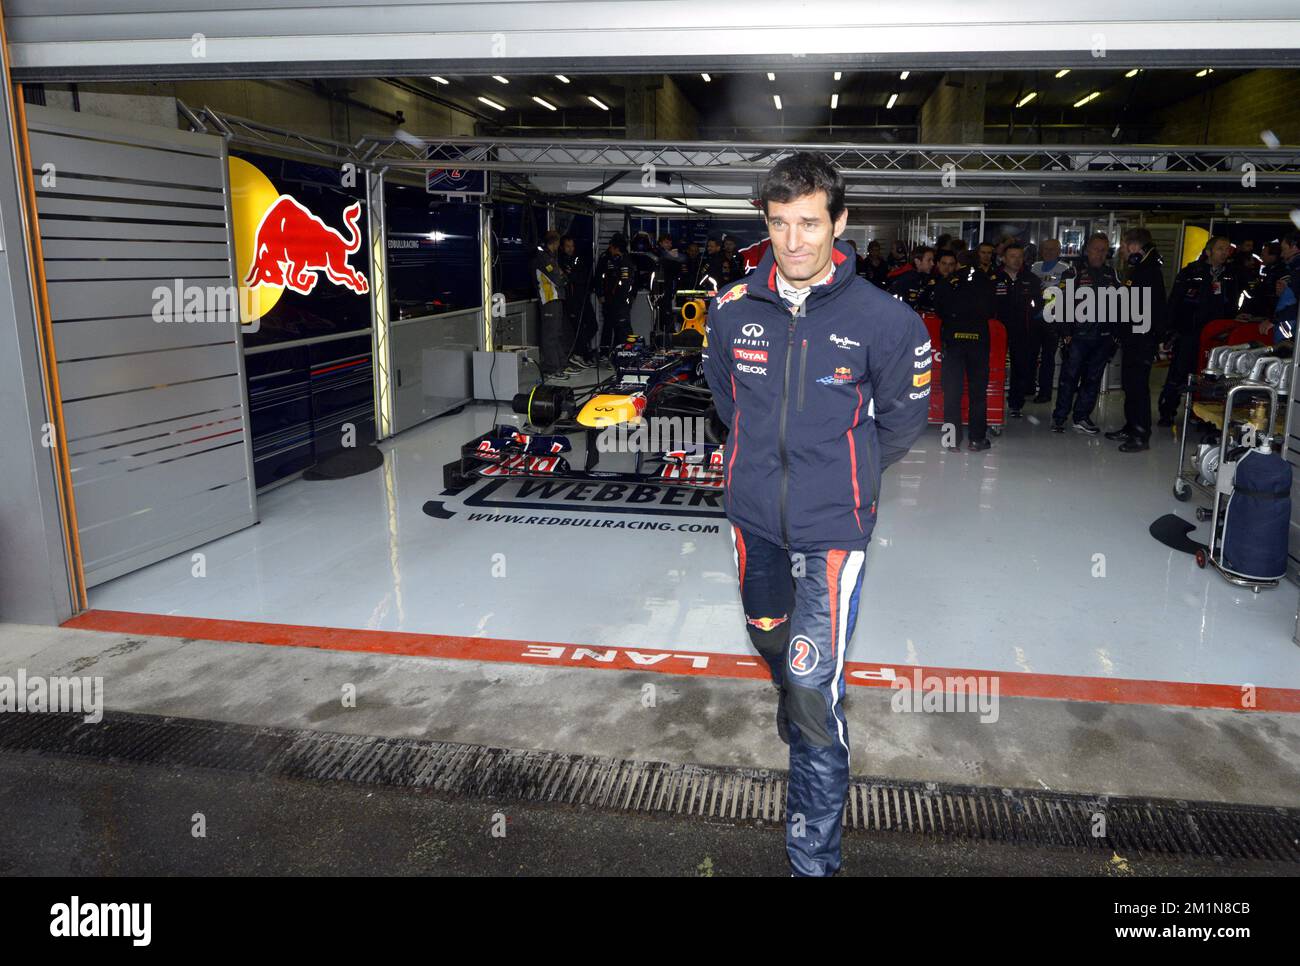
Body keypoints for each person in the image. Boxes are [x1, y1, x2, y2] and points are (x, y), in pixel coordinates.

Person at [701, 152, 929, 878]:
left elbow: (899, 423)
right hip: (752, 521)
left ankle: (812, 862)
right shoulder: (732, 309)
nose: (793, 241)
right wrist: (765, 475)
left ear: (840, 221)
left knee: (810, 697)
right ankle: (789, 681)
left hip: (833, 530)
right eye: (778, 224)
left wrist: (838, 479)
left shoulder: (887, 322)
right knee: (768, 639)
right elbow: (728, 406)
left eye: (808, 222)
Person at [1157, 235, 1241, 426]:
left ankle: (1204, 414)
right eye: (1220, 248)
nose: (1224, 252)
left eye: (1227, 249)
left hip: (1216, 335)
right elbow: (1175, 302)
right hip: (1189, 331)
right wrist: (1169, 330)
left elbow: (1234, 303)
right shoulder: (1191, 272)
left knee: (1211, 375)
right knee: (1179, 372)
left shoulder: (1231, 275)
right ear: (1208, 251)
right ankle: (1167, 411)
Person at [1105, 228, 1167, 451]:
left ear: (1134, 246)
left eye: (1123, 246)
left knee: (1138, 387)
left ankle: (1140, 434)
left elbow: (1149, 308)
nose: (1121, 250)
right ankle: (1131, 426)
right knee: (1129, 386)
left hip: (1142, 338)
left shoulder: (1149, 271)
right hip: (1133, 337)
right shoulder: (1140, 268)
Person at [1052, 233, 1121, 435]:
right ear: (1086, 250)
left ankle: (1081, 417)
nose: (1100, 254)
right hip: (1077, 337)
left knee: (1093, 379)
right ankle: (1059, 417)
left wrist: (1115, 336)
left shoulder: (1113, 274)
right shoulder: (1073, 273)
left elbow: (1122, 306)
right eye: (1096, 249)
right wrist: (1065, 333)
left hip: (1103, 337)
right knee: (1069, 378)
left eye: (1103, 250)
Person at [933, 263, 996, 450]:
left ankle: (952, 440)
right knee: (978, 393)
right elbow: (993, 309)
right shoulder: (986, 282)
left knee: (952, 393)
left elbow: (939, 309)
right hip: (978, 342)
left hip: (953, 342)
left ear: (958, 263)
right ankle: (977, 439)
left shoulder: (948, 282)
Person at [991, 242, 1042, 416]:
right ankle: (992, 401)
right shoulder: (992, 278)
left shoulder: (1032, 279)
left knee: (1021, 367)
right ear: (1003, 258)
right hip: (997, 331)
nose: (1017, 260)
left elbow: (1039, 305)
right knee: (994, 367)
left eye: (1020, 256)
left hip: (1023, 330)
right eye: (1012, 256)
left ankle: (1015, 404)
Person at [1029, 239, 1072, 404]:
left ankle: (1045, 392)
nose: (1048, 252)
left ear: (1059, 251)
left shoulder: (1065, 269)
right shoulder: (1035, 267)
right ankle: (1029, 387)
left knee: (1048, 358)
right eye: (1045, 249)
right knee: (1031, 355)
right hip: (1034, 318)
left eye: (1052, 249)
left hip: (1053, 320)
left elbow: (1067, 294)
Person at [532, 230, 574, 377]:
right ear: (555, 243)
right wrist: (563, 276)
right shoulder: (544, 257)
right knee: (550, 335)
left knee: (557, 333)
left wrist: (563, 276)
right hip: (548, 299)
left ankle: (561, 364)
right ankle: (552, 368)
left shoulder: (550, 256)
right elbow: (559, 278)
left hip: (555, 299)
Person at [594, 233, 637, 356]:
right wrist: (600, 294)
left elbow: (631, 282)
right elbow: (598, 278)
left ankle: (622, 353)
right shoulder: (605, 259)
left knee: (622, 328)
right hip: (609, 300)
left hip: (621, 301)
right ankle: (605, 353)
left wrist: (631, 296)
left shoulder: (626, 260)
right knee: (609, 326)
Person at [558, 234, 597, 367]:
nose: (570, 249)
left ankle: (581, 351)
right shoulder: (560, 261)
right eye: (567, 246)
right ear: (562, 247)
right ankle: (579, 354)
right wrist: (573, 275)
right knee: (578, 329)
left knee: (593, 325)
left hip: (584, 298)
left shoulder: (578, 259)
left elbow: (583, 277)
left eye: (572, 246)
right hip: (572, 300)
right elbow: (568, 278)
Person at [889, 245, 937, 312]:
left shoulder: (924, 278)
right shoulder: (908, 279)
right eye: (929, 260)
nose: (932, 263)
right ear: (917, 261)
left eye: (932, 260)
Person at [1273, 231, 1300, 344]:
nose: (1281, 255)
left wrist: (1273, 320)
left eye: (1284, 249)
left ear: (1294, 247)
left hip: (1290, 330)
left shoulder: (1297, 272)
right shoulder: (1293, 271)